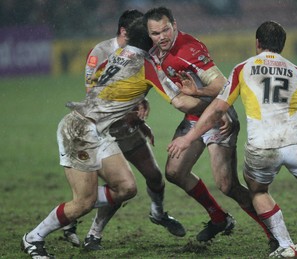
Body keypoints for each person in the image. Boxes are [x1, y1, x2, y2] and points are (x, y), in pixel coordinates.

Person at [167, 21, 297, 258]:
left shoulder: (243, 69)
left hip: (262, 147)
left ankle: (286, 246)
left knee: (258, 193)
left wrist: (188, 138)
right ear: (282, 45)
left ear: (257, 43)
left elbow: (217, 110)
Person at [21, 17, 206, 259]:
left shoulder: (116, 56)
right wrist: (215, 106)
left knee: (126, 188)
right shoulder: (147, 64)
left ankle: (72, 214)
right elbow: (181, 102)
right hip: (79, 130)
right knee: (84, 203)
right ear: (148, 40)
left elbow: (108, 92)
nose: (161, 39)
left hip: (98, 128)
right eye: (155, 35)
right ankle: (34, 237)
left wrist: (134, 113)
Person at [143, 6, 278, 248]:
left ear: (174, 25)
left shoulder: (189, 49)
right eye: (155, 33)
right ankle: (219, 218)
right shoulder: (153, 50)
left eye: (165, 30)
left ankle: (275, 234)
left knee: (227, 185)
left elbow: (222, 85)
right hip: (195, 116)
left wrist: (198, 92)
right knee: (174, 172)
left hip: (217, 117)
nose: (162, 37)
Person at [62, 9, 186, 251]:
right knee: (121, 187)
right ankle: (88, 229)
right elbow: (94, 96)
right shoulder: (100, 52)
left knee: (154, 177)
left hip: (126, 126)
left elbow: (136, 86)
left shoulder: (140, 53)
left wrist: (141, 106)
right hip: (101, 130)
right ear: (124, 32)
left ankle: (158, 214)